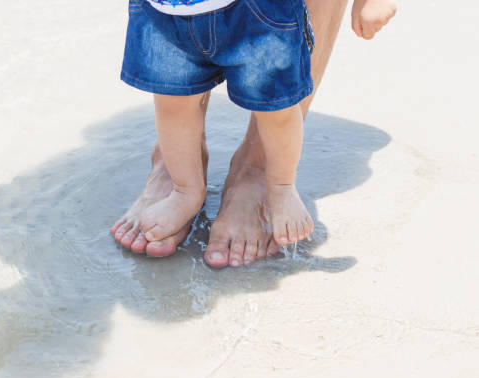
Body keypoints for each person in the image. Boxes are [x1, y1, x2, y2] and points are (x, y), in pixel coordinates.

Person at [112, 0, 396, 267]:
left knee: (276, 107)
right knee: (173, 100)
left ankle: (278, 184)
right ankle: (185, 189)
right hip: (165, 12)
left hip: (260, 11)